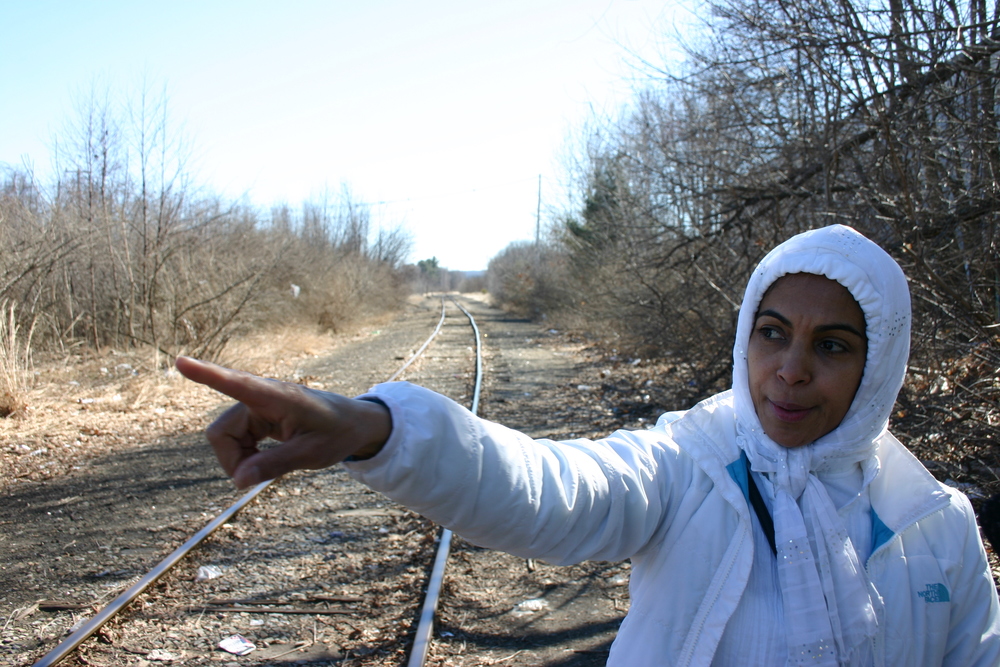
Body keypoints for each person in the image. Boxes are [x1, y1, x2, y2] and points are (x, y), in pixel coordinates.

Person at [176, 224, 1000, 666]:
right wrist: (380, 430)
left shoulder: (935, 525)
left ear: (879, 361)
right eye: (772, 333)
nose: (787, 371)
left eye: (831, 345)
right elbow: (548, 487)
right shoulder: (690, 463)